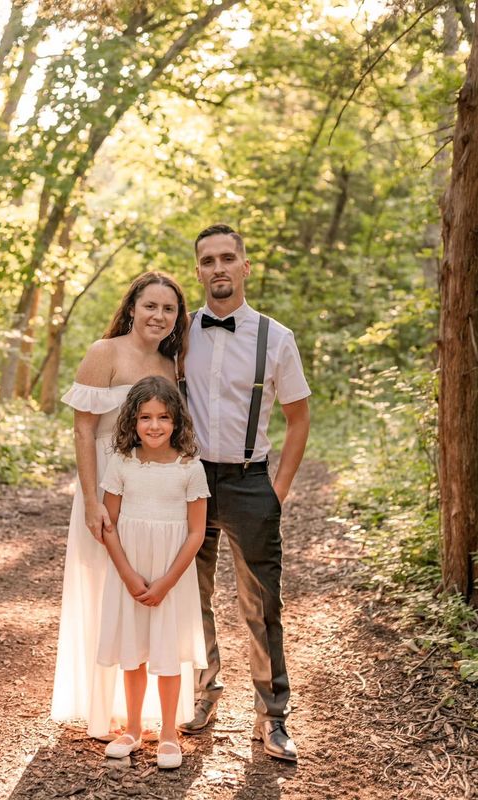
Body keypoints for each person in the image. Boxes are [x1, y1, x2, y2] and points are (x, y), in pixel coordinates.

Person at [179, 223, 311, 762]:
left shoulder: (276, 338)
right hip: (187, 481)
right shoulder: (179, 332)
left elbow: (298, 418)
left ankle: (272, 716)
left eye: (227, 258)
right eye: (207, 260)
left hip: (250, 481)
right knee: (192, 596)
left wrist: (277, 489)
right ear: (198, 271)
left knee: (262, 603)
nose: (218, 268)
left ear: (245, 266)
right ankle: (204, 690)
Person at [50, 272, 190, 740]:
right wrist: (91, 500)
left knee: (147, 582)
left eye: (169, 309)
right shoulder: (103, 353)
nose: (159, 316)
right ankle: (102, 707)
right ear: (132, 307)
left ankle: (147, 711)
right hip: (105, 485)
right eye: (151, 306)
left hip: (153, 490)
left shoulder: (172, 364)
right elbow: (84, 430)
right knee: (105, 587)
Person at [97, 376, 209, 768]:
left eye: (163, 417)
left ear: (177, 421)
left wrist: (165, 582)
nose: (155, 425)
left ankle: (167, 733)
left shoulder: (190, 468)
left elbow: (196, 532)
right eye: (145, 417)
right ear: (133, 420)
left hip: (170, 574)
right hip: (131, 569)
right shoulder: (121, 463)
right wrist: (128, 574)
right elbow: (108, 524)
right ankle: (131, 728)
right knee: (133, 652)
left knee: (166, 652)